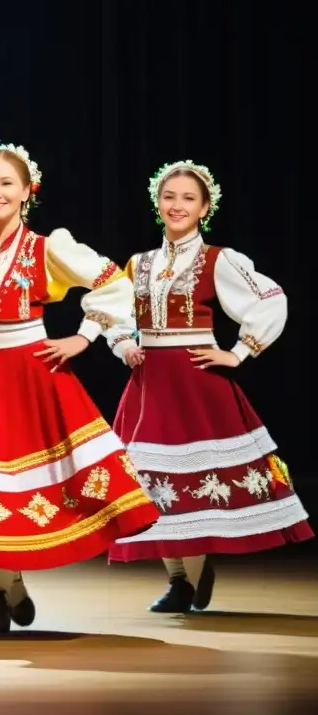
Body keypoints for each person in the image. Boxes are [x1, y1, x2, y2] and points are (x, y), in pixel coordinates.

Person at [0, 143, 160, 634]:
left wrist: (84, 336)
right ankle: (11, 583)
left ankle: (2, 585)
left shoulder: (47, 247)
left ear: (27, 191)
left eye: (6, 184)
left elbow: (113, 286)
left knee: (31, 484)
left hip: (34, 374)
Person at [106, 160, 312, 612]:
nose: (177, 205)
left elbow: (270, 299)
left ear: (204, 207)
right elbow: (113, 312)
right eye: (169, 196)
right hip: (149, 385)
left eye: (188, 198)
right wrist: (123, 343)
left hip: (196, 383)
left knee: (195, 480)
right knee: (148, 483)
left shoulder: (218, 259)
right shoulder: (139, 263)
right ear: (157, 203)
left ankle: (193, 574)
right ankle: (179, 579)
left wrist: (238, 351)